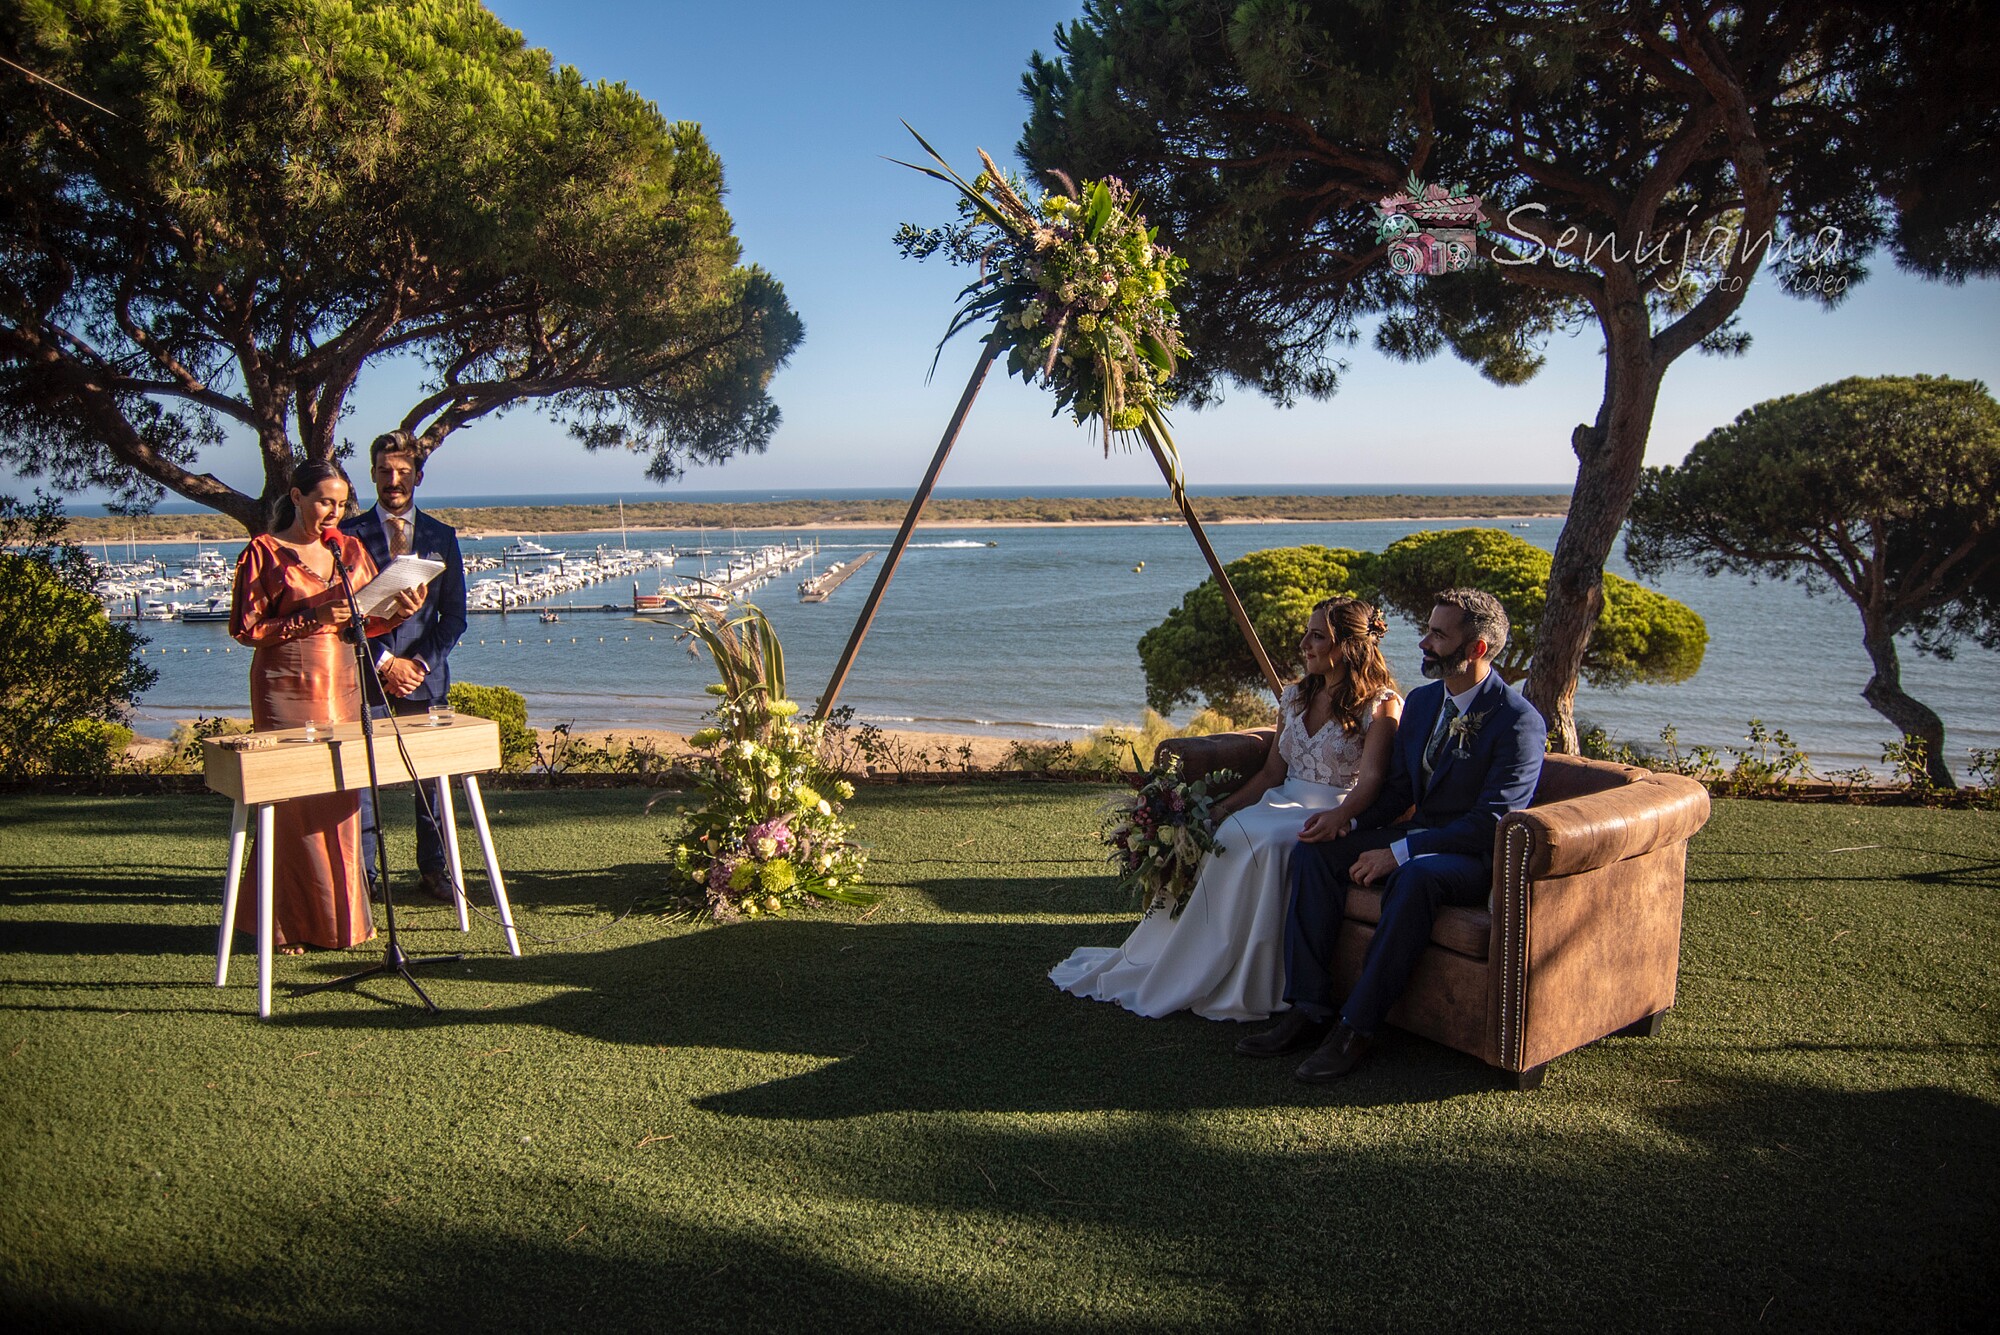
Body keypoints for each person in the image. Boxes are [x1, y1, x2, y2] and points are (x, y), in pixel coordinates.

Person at [1237, 587, 1546, 1080]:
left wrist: (1401, 852)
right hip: (1417, 836)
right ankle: (1309, 1008)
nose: (1424, 643)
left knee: (1414, 879)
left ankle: (1356, 1028)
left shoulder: (1518, 722)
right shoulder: (1423, 703)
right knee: (1314, 852)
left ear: (1477, 648)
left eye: (1438, 635)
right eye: (1427, 630)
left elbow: (1491, 822)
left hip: (1470, 857)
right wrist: (1348, 823)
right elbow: (1398, 790)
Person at [1050, 598, 1402, 1020]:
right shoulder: (1294, 697)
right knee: (1232, 830)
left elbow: (1373, 780)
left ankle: (1249, 977)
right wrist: (1219, 811)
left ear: (1348, 646)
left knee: (1266, 841)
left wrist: (1339, 818)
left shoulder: (1380, 704)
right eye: (1307, 633)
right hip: (1281, 798)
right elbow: (1271, 774)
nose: (1304, 644)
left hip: (1332, 808)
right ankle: (1194, 957)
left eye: (1317, 636)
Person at [228, 461, 426, 954]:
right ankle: (287, 925)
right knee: (292, 805)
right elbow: (246, 628)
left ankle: (344, 922)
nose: (333, 513)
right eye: (324, 502)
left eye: (340, 504)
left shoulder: (349, 550)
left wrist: (401, 610)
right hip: (284, 688)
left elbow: (364, 622)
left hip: (342, 684)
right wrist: (311, 616)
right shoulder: (264, 552)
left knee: (340, 799)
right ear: (297, 497)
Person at [340, 430, 468, 902]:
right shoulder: (346, 536)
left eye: (402, 472)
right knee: (362, 780)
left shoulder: (442, 536)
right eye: (384, 471)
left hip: (424, 679)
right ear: (372, 474)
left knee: (431, 781)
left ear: (418, 475)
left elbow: (454, 616)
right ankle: (364, 876)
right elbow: (343, 615)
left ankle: (434, 870)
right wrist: (384, 662)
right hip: (365, 676)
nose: (393, 481)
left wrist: (418, 664)